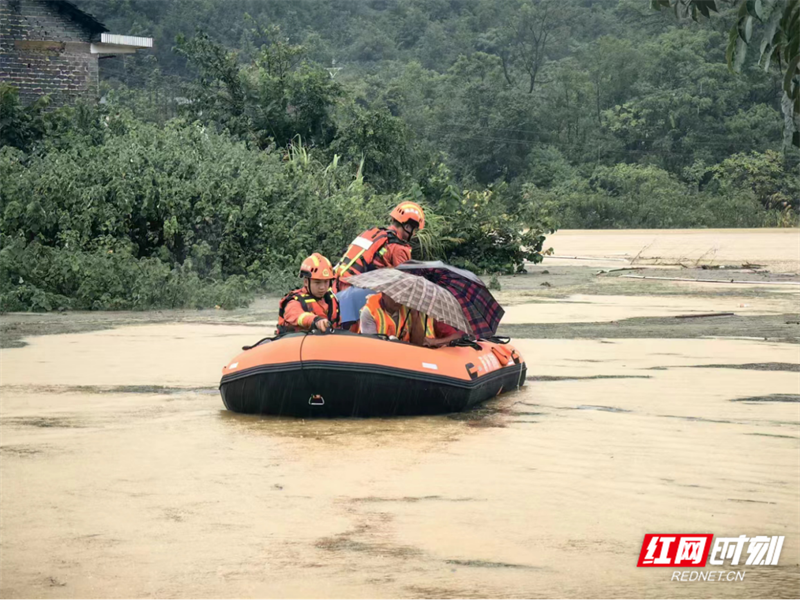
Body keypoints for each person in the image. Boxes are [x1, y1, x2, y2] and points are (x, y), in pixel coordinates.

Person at [333, 201, 426, 293]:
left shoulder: (374, 234)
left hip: (338, 282)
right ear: (407, 227)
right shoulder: (399, 249)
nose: (414, 234)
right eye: (414, 230)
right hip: (357, 290)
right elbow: (405, 284)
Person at [276, 253, 340, 335]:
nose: (322, 287)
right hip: (298, 344)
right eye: (317, 282)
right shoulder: (294, 301)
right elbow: (295, 315)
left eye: (326, 282)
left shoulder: (331, 298)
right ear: (306, 282)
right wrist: (315, 320)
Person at [358, 292, 433, 347]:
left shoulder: (408, 309)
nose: (398, 301)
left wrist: (415, 315)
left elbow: (418, 344)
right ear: (383, 295)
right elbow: (370, 346)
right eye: (395, 296)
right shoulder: (369, 311)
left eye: (402, 297)